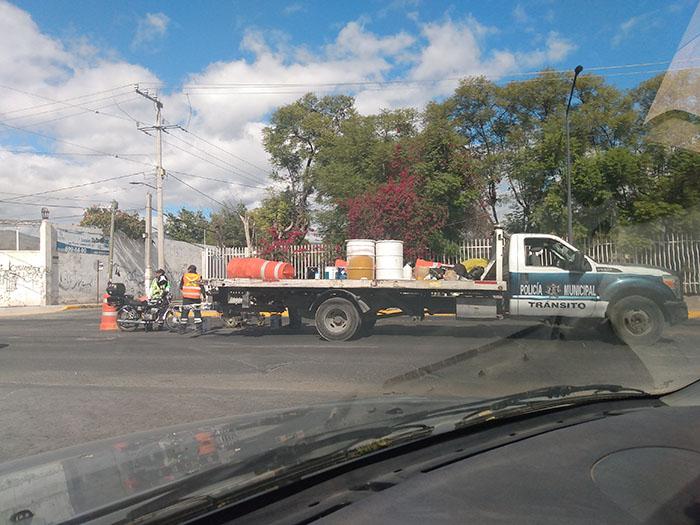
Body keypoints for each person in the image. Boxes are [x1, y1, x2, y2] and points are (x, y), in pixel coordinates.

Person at [179, 264, 205, 334]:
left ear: (189, 270)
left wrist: (184, 293)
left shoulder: (185, 276)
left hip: (186, 298)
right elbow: (202, 287)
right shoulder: (198, 277)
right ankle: (199, 329)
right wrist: (204, 296)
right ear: (195, 270)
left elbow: (181, 286)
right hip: (196, 298)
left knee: (184, 313)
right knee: (197, 314)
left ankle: (182, 329)